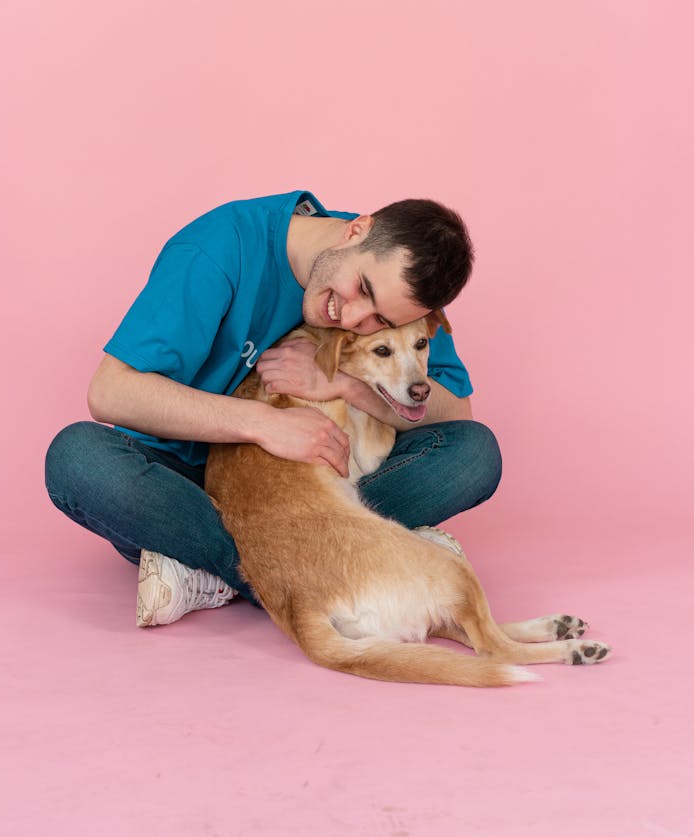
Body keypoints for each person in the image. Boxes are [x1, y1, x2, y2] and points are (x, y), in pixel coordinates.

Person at [45, 189, 501, 627]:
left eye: (379, 320)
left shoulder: (403, 289)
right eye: (361, 288)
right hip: (182, 491)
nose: (352, 317)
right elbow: (109, 392)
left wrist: (341, 383)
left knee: (474, 453)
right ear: (356, 230)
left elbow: (456, 411)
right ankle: (332, 563)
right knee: (77, 458)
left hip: (311, 496)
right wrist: (264, 423)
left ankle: (210, 574)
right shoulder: (218, 249)